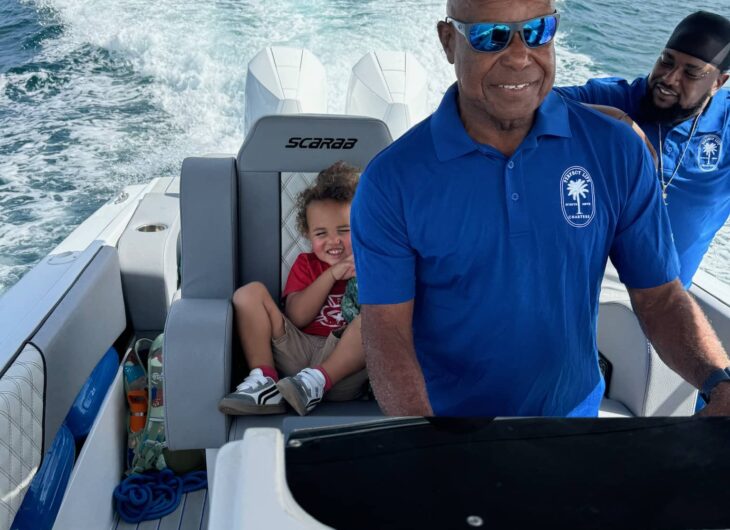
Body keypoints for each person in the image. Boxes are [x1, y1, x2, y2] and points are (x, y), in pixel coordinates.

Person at [350, 0, 730, 417]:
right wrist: (422, 442)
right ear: (448, 41)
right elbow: (387, 330)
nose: (518, 56)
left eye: (537, 32)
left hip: (572, 424)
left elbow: (659, 298)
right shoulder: (392, 179)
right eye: (490, 37)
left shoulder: (616, 152)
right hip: (449, 430)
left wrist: (719, 382)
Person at [556, 11, 730, 288]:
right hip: (588, 281)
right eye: (666, 61)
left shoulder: (726, 124)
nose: (669, 78)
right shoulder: (620, 98)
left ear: (718, 83)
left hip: (669, 296)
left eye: (691, 72)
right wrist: (617, 119)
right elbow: (524, 105)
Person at [218, 162, 367, 417]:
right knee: (248, 293)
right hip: (295, 364)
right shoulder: (306, 264)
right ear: (308, 235)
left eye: (344, 230)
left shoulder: (373, 264)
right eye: (321, 233)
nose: (333, 241)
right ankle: (265, 382)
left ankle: (319, 380)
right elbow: (297, 316)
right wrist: (331, 274)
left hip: (343, 370)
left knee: (375, 321)